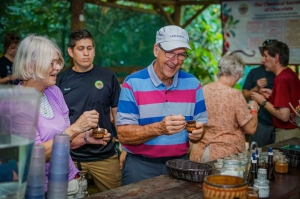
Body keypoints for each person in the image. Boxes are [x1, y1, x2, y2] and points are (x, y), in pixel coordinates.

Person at [13, 34, 111, 197]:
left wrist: (86, 137)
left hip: (68, 182)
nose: (58, 67)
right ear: (30, 66)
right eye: (51, 63)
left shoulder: (54, 92)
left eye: (58, 62)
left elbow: (64, 141)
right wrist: (76, 128)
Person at [116, 25, 207, 185]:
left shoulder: (193, 84)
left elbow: (201, 126)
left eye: (181, 55)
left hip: (180, 165)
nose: (175, 60)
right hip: (140, 166)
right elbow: (123, 134)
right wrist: (159, 128)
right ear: (156, 50)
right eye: (170, 53)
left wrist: (198, 133)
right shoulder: (133, 83)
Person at [56, 29, 121, 192]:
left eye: (89, 48)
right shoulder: (60, 80)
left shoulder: (108, 76)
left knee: (117, 195)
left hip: (105, 155)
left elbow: (118, 115)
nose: (86, 53)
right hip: (71, 156)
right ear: (70, 51)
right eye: (81, 48)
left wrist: (124, 147)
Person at [190, 52, 259, 163]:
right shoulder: (234, 94)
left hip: (200, 152)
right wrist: (254, 109)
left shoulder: (204, 89)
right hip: (223, 157)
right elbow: (250, 129)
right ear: (236, 74)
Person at [251, 39, 300, 142]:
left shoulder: (281, 79)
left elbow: (284, 115)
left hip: (286, 134)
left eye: (265, 56)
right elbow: (290, 100)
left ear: (276, 58)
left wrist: (262, 101)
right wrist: (273, 95)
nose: (262, 60)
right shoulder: (290, 74)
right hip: (295, 130)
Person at [242, 64, 275, 147]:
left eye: (266, 56)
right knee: (256, 154)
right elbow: (243, 95)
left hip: (279, 123)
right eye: (263, 55)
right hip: (261, 122)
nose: (263, 59)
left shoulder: (280, 75)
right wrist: (256, 88)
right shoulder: (255, 72)